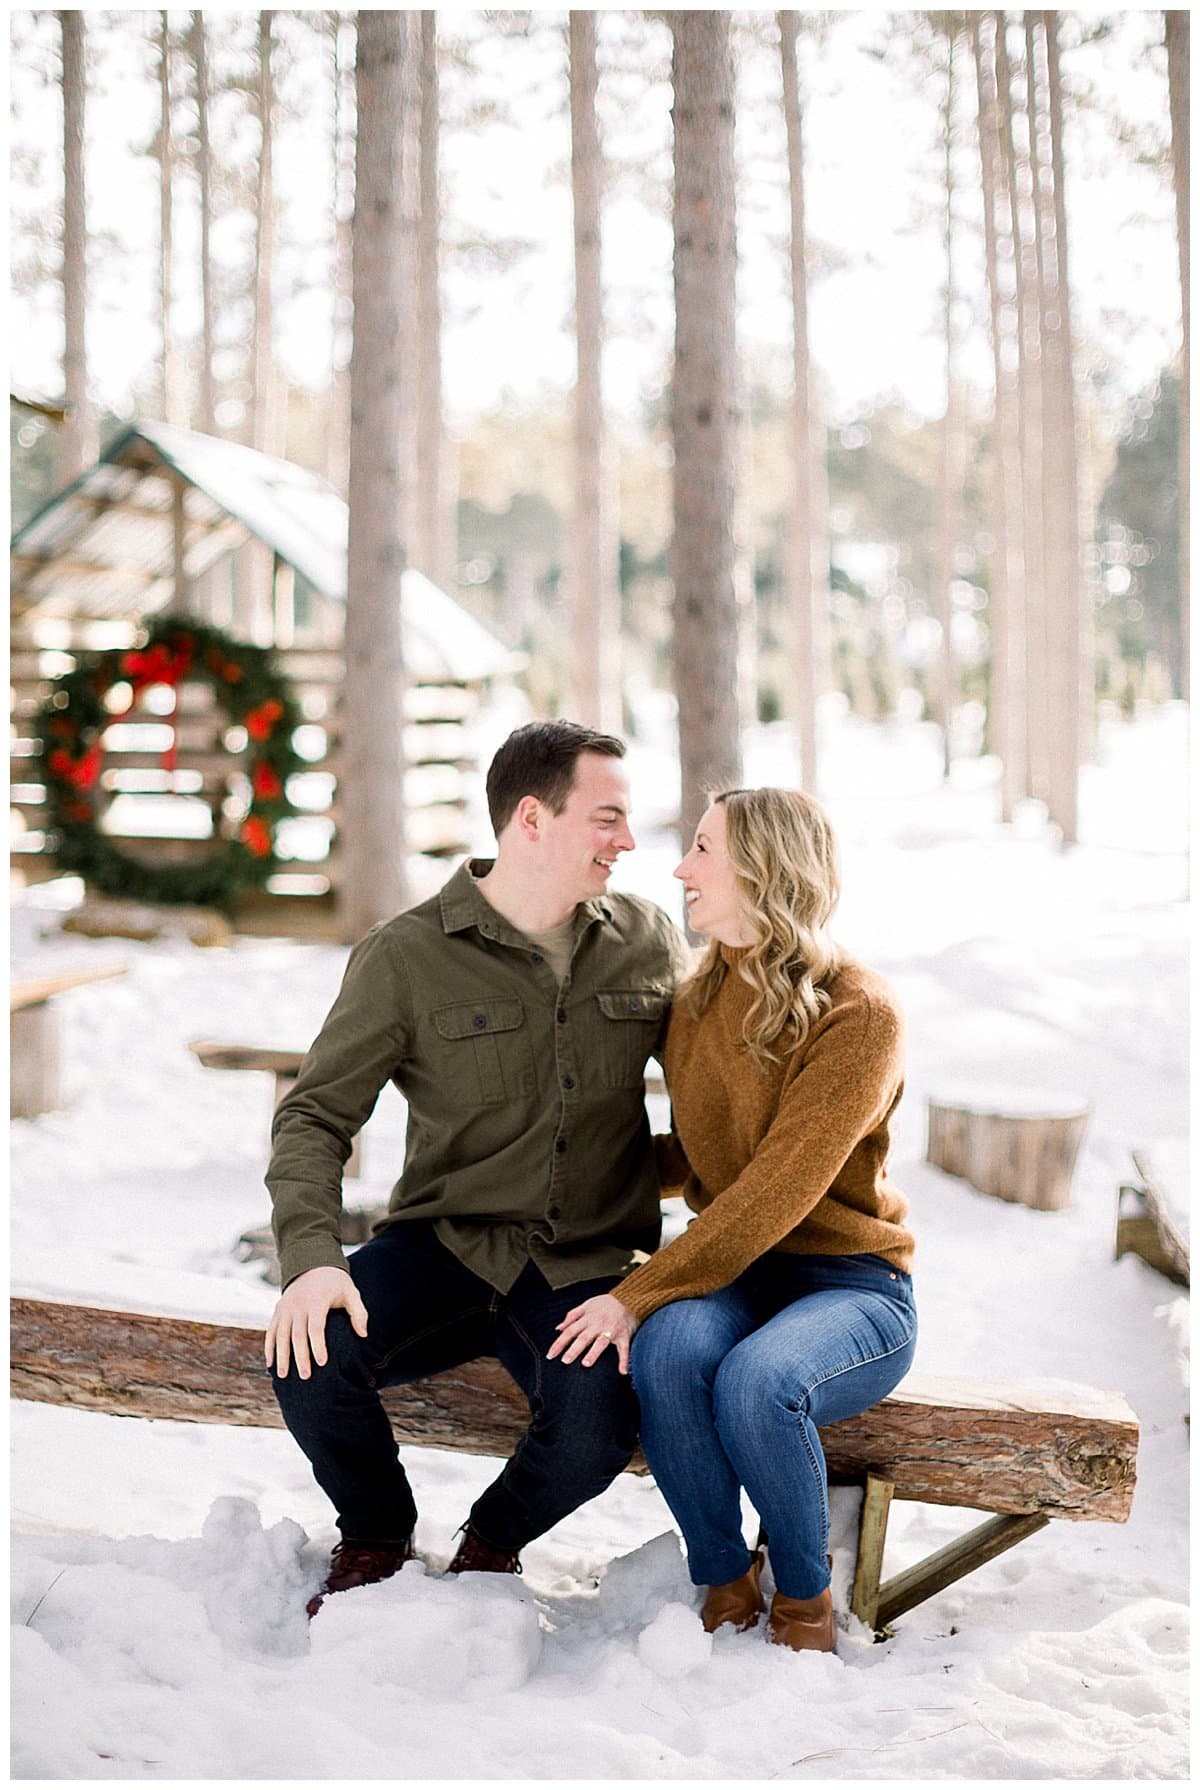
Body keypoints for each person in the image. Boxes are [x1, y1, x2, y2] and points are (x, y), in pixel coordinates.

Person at [265, 720, 688, 1615]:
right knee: (308, 1354)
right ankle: (376, 1532)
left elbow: (715, 1103)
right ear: (532, 819)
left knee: (596, 1420)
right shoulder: (408, 955)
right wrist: (310, 1259)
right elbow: (315, 1115)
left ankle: (491, 1543)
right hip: (444, 1247)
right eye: (607, 819)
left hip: (585, 1265)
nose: (628, 841)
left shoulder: (648, 942)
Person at [549, 786, 916, 1653]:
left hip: (852, 1285)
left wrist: (635, 1291)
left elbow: (777, 1187)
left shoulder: (860, 1013)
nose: (681, 868)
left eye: (704, 849)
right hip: (740, 1273)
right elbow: (703, 1156)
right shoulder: (699, 998)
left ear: (765, 869)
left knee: (759, 1380)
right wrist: (557, 1181)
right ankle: (722, 1580)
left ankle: (803, 1601)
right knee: (672, 1352)